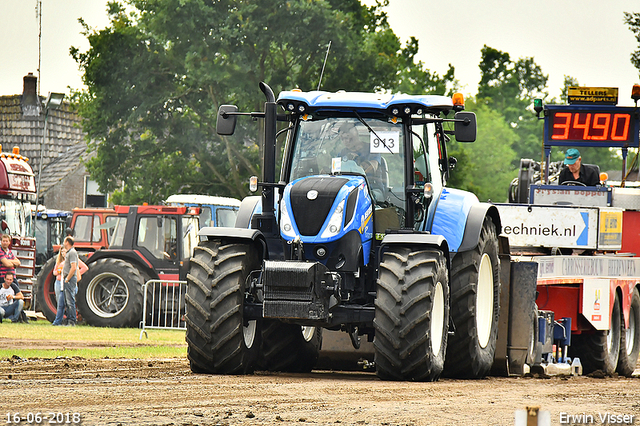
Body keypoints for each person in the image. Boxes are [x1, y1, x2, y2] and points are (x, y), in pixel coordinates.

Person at [62, 236, 79, 326]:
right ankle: (68, 318)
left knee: (70, 300)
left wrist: (67, 278)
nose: (63, 243)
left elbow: (73, 267)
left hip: (70, 279)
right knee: (67, 299)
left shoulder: (72, 252)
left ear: (67, 242)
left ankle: (72, 320)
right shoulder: (69, 253)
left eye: (64, 241)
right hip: (68, 279)